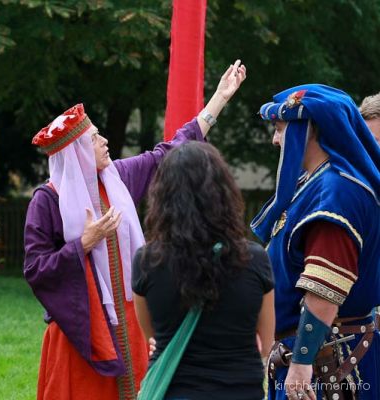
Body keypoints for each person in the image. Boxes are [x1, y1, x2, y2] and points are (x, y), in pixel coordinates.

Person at [23, 60, 246, 400]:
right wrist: (83, 243)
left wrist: (218, 99)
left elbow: (170, 150)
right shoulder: (47, 200)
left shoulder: (119, 178)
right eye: (96, 138)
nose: (105, 141)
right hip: (81, 329)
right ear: (78, 151)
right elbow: (36, 268)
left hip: (128, 322)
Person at [253, 85, 380, 400]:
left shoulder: (336, 193)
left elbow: (325, 289)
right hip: (313, 358)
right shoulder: (315, 183)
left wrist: (301, 363)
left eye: (280, 129)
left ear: (306, 130)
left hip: (329, 365)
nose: (275, 140)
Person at [131, 142, 275, 400]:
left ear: (162, 197)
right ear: (225, 193)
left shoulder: (146, 262)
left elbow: (152, 334)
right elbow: (266, 340)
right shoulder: (255, 259)